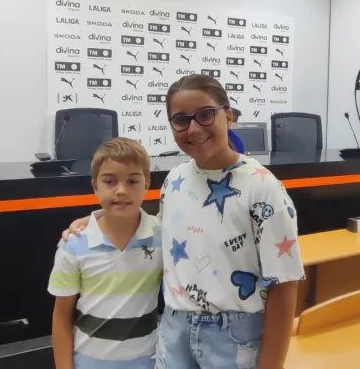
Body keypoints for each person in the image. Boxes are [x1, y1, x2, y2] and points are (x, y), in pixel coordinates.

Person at [63, 74, 304, 369]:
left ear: (228, 116)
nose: (193, 128)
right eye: (181, 120)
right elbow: (163, 231)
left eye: (205, 115)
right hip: (174, 328)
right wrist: (96, 220)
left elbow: (286, 285)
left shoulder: (262, 187)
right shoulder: (175, 179)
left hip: (233, 336)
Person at [49, 137, 162, 369]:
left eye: (133, 181)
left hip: (148, 362)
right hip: (88, 363)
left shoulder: (163, 237)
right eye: (110, 181)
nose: (121, 190)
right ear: (95, 186)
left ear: (147, 184)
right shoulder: (74, 245)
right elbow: (61, 316)